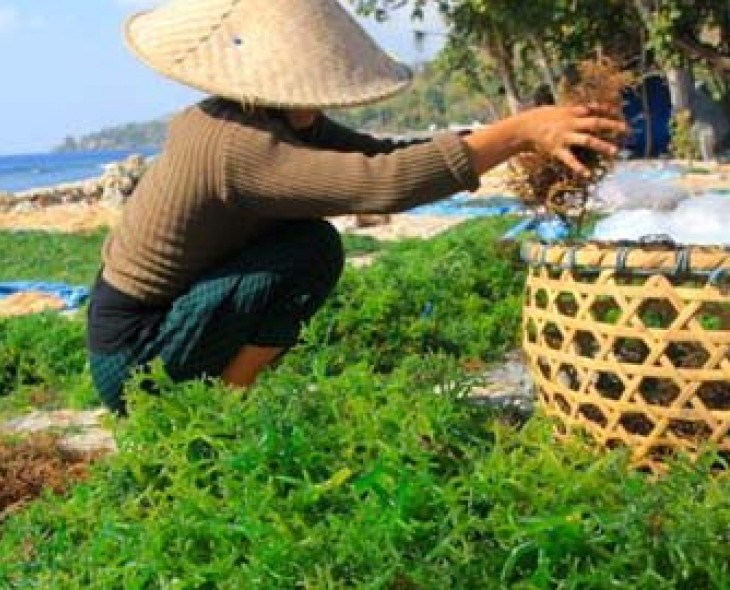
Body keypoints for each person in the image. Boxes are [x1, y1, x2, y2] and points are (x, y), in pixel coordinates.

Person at [89, 0, 625, 414]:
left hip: (166, 316)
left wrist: (514, 136)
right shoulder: (237, 146)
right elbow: (382, 184)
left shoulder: (267, 119)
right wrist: (513, 134)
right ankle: (219, 412)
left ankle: (222, 397)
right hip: (134, 356)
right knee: (310, 249)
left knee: (301, 245)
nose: (318, 101)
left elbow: (380, 155)